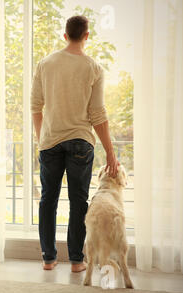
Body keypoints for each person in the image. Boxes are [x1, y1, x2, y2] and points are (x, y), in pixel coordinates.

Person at [31, 15, 119, 272]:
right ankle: (77, 261)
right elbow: (98, 115)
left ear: (65, 35)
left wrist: (43, 139)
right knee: (78, 201)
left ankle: (48, 259)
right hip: (81, 141)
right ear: (86, 36)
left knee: (48, 199)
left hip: (50, 142)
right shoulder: (93, 68)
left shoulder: (45, 64)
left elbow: (36, 107)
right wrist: (111, 155)